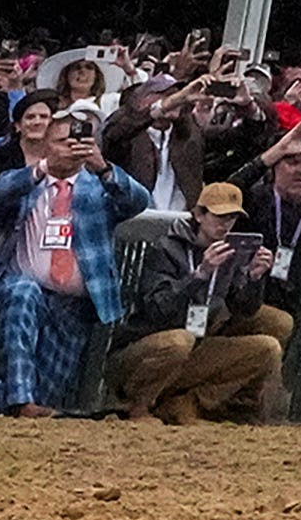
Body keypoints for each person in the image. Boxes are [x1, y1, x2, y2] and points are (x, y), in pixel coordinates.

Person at [0, 108, 149, 416]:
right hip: (21, 288)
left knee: (45, 395)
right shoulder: (25, 181)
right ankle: (21, 404)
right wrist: (43, 169)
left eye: (80, 140)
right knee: (23, 292)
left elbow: (138, 202)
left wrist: (102, 167)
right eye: (63, 141)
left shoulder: (101, 187)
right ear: (47, 145)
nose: (71, 147)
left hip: (73, 304)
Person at [108, 179, 287, 423]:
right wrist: (200, 275)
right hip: (145, 349)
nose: (226, 225)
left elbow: (244, 310)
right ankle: (137, 407)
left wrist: (254, 278)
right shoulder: (165, 249)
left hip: (196, 344)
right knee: (179, 341)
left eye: (232, 218)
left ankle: (189, 404)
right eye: (220, 216)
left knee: (267, 348)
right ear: (199, 215)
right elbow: (157, 310)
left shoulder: (228, 255)